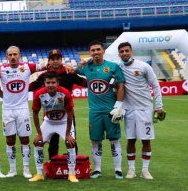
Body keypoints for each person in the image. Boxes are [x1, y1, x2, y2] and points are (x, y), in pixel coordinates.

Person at [0, 46, 46, 178]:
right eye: (10, 55)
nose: (13, 57)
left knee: (24, 139)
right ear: (7, 57)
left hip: (22, 109)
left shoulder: (28, 67)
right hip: (7, 110)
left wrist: (66, 66)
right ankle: (12, 169)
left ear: (20, 55)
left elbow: (47, 66)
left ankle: (26, 169)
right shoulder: (1, 69)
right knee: (10, 139)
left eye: (15, 54)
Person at [75, 40, 126, 179]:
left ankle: (118, 169)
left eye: (98, 49)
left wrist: (118, 106)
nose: (96, 52)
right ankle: (97, 170)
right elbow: (73, 69)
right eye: (93, 50)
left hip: (111, 110)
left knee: (114, 140)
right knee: (95, 140)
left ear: (103, 51)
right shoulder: (86, 67)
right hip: (94, 111)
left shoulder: (113, 67)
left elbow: (121, 86)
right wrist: (84, 60)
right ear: (90, 52)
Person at [116, 42, 164, 179]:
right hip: (128, 110)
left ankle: (145, 170)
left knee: (146, 141)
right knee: (130, 140)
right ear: (119, 54)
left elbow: (155, 86)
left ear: (131, 52)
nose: (124, 53)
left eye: (127, 51)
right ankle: (131, 170)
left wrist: (159, 106)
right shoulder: (118, 67)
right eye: (122, 51)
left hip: (145, 109)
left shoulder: (144, 66)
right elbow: (99, 58)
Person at [30, 49, 86, 159]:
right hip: (50, 115)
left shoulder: (69, 73)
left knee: (71, 141)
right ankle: (53, 165)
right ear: (49, 61)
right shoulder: (44, 76)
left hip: (67, 114)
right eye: (52, 59)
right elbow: (30, 87)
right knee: (53, 143)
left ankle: (73, 166)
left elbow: (86, 83)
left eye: (58, 59)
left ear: (61, 60)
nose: (55, 61)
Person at [30, 72, 78, 183]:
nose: (50, 85)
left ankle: (71, 174)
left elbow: (70, 113)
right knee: (38, 143)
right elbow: (35, 113)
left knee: (70, 143)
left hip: (64, 122)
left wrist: (68, 134)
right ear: (44, 83)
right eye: (48, 83)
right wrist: (39, 134)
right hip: (49, 122)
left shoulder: (64, 93)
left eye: (53, 82)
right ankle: (39, 173)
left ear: (58, 83)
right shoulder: (39, 94)